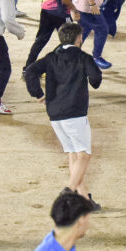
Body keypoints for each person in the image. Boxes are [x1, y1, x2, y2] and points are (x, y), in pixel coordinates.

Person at [24, 23, 103, 209]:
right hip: (74, 112)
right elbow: (96, 78)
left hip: (54, 113)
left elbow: (30, 71)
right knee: (84, 155)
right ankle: (69, 190)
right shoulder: (83, 57)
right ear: (79, 39)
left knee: (73, 154)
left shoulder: (51, 57)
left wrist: (38, 93)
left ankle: (83, 198)